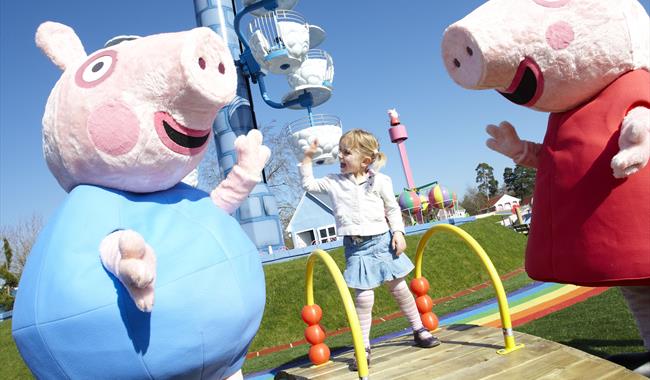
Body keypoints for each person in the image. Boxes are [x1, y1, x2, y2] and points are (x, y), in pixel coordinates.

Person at [300, 129, 440, 371]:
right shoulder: (333, 182)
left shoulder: (381, 181)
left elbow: (393, 209)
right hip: (356, 247)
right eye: (339, 152)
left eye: (346, 152)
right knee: (364, 298)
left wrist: (398, 232)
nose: (340, 156)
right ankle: (363, 346)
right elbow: (308, 184)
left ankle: (418, 328)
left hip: (382, 242)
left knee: (400, 289)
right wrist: (308, 158)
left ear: (365, 160)